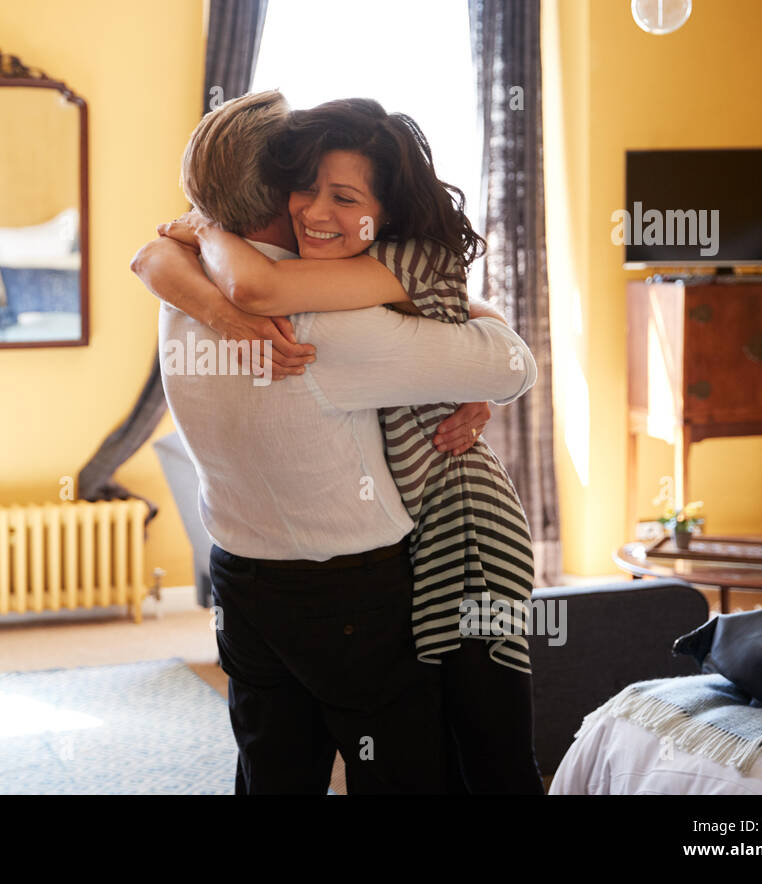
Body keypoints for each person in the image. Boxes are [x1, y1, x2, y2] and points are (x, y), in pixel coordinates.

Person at [130, 90, 538, 793]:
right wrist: (484, 370)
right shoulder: (325, 326)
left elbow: (154, 258)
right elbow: (512, 364)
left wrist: (203, 247)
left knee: (273, 771)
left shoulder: (181, 294)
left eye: (339, 194)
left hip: (241, 577)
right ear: (279, 188)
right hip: (349, 593)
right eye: (303, 183)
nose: (316, 209)